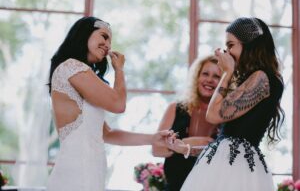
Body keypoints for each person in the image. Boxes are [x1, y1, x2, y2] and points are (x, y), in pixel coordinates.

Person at [46, 16, 172, 191]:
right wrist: (119, 70)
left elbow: (108, 133)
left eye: (110, 41)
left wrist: (152, 138)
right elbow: (118, 104)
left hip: (91, 172)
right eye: (104, 36)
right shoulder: (71, 66)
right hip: (76, 174)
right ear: (85, 33)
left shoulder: (81, 75)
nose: (108, 45)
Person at [178, 17, 285, 191]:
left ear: (249, 45)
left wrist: (227, 73)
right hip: (230, 162)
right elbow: (229, 135)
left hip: (237, 167)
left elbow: (213, 115)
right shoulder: (254, 78)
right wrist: (187, 148)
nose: (226, 52)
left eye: (230, 45)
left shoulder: (263, 78)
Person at [152, 55, 222, 191]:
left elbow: (219, 150)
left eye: (216, 76)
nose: (209, 80)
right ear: (196, 77)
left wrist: (177, 144)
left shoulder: (226, 115)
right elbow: (156, 149)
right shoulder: (175, 108)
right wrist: (196, 142)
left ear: (224, 82)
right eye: (205, 74)